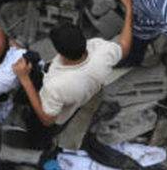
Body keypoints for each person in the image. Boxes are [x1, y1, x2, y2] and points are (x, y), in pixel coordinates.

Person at [13, 8, 132, 146]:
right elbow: (124, 46)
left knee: (39, 133)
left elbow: (47, 120)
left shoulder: (56, 85)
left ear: (59, 52)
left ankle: (36, 145)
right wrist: (129, 10)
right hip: (75, 101)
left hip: (55, 118)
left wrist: (25, 79)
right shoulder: (102, 51)